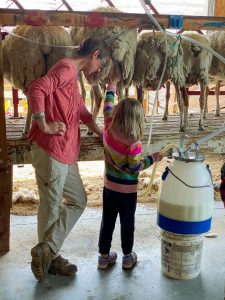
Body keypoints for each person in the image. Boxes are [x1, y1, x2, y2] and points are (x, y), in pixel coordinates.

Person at [27, 37, 110, 281]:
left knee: (78, 200)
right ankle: (49, 259)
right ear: (95, 54)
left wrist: (100, 132)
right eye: (101, 63)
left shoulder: (71, 74)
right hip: (52, 150)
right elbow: (36, 89)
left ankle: (47, 250)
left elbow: (80, 110)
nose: (100, 69)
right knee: (51, 207)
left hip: (66, 152)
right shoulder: (66, 69)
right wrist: (45, 125)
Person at [97, 81, 164, 269]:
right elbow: (135, 168)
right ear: (137, 121)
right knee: (127, 223)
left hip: (109, 187)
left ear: (118, 114)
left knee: (107, 221)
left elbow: (107, 107)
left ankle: (103, 257)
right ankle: (127, 257)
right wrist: (153, 158)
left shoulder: (109, 127)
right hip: (127, 192)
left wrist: (111, 88)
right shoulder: (134, 144)